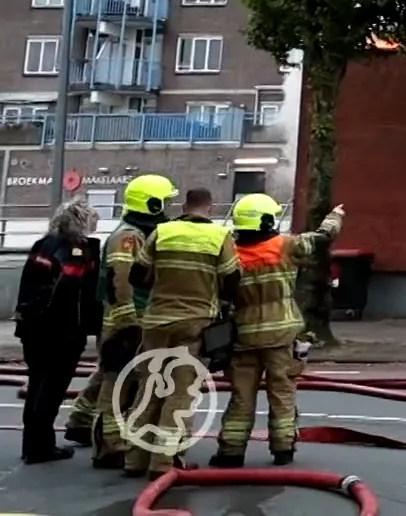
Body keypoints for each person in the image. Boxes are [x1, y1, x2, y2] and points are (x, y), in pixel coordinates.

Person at [212, 195, 345, 467]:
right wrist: (336, 217)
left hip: (243, 337)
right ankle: (283, 449)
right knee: (282, 393)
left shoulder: (230, 254)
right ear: (267, 219)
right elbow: (321, 237)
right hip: (282, 336)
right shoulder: (286, 246)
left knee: (241, 397)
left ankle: (231, 452)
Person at [122, 187, 239, 479]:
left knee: (148, 389)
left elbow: (137, 276)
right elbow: (232, 281)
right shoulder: (219, 237)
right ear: (210, 208)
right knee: (179, 395)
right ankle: (163, 464)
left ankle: (134, 460)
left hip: (157, 321)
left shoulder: (162, 232)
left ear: (184, 206)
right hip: (194, 324)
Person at [92, 173, 175, 471]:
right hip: (125, 322)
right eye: (164, 201)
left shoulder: (140, 233)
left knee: (117, 382)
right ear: (152, 204)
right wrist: (130, 321)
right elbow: (123, 279)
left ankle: (92, 430)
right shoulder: (129, 237)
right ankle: (108, 447)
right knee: (117, 387)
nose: (168, 207)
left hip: (135, 319)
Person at [11, 199, 102, 463]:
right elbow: (70, 289)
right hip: (60, 331)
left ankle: (33, 444)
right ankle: (41, 447)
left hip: (32, 327)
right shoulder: (73, 251)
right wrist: (86, 324)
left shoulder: (44, 245)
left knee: (39, 383)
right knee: (51, 389)